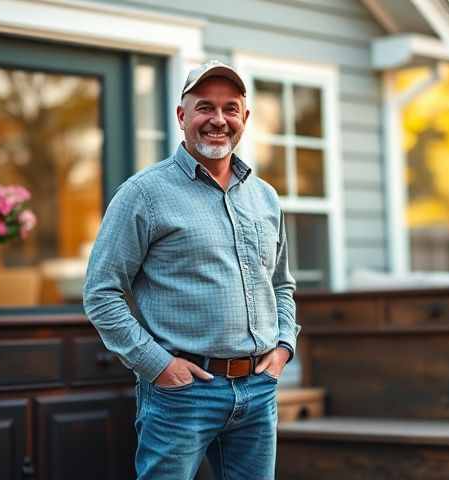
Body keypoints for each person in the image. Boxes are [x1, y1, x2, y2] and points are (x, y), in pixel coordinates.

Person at [83, 60, 300, 480]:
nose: (218, 120)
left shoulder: (265, 198)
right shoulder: (143, 194)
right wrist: (158, 365)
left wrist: (282, 347)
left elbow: (281, 285)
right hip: (182, 394)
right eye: (205, 107)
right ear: (182, 116)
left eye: (230, 108)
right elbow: (101, 293)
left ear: (244, 119)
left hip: (258, 389)